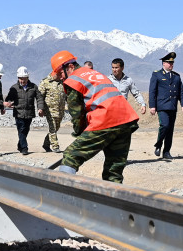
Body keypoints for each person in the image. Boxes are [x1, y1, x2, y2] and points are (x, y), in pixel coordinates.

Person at [51, 51, 139, 183]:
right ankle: (113, 201)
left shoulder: (73, 80)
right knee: (113, 170)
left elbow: (76, 113)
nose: (61, 77)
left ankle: (62, 194)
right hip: (126, 120)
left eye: (60, 73)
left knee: (71, 156)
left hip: (105, 119)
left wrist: (80, 133)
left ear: (69, 67)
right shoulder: (94, 73)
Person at [148, 51, 183, 159]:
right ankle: (158, 144)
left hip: (173, 106)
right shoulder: (157, 74)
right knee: (164, 126)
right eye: (169, 63)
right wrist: (152, 106)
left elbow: (181, 91)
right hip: (161, 106)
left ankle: (166, 152)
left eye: (172, 63)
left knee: (170, 130)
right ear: (163, 63)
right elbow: (152, 91)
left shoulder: (176, 76)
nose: (171, 65)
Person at [4, 67, 41, 154]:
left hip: (29, 113)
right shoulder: (14, 88)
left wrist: (40, 108)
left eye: (24, 79)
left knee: (25, 130)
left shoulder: (33, 87)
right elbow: (8, 98)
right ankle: (24, 148)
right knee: (21, 129)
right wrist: (8, 103)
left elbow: (39, 98)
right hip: (18, 113)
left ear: (28, 78)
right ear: (18, 78)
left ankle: (20, 145)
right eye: (20, 79)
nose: (22, 81)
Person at [37, 70, 66, 153]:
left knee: (56, 128)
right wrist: (40, 108)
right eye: (60, 74)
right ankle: (55, 146)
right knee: (52, 127)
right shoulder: (45, 82)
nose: (61, 76)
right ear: (55, 73)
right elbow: (40, 97)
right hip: (50, 111)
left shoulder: (63, 83)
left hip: (60, 111)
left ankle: (46, 144)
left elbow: (66, 96)